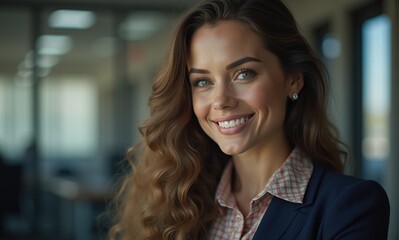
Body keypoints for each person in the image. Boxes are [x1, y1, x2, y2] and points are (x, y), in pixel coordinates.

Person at [108, 0, 390, 239]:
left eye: (244, 74)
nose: (220, 100)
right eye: (203, 81)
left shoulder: (350, 206)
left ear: (293, 80)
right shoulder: (178, 198)